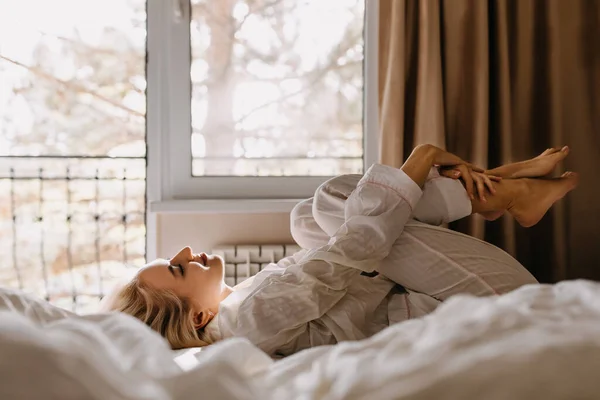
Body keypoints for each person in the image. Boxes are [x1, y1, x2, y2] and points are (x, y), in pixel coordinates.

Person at [104, 144, 577, 356]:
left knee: (307, 218)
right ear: (198, 319)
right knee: (333, 199)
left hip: (454, 288)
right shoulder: (249, 319)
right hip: (487, 302)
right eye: (177, 268)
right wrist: (423, 158)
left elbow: (344, 252)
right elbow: (354, 252)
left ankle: (505, 189)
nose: (186, 250)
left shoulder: (241, 304)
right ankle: (502, 188)